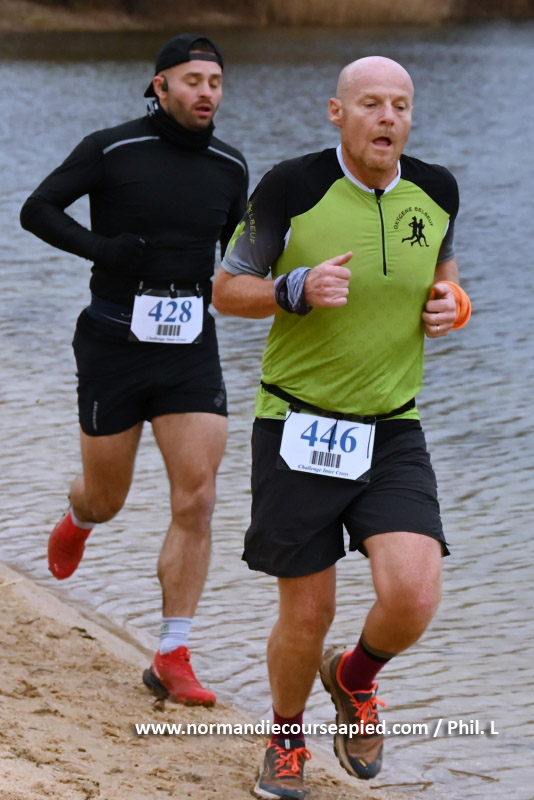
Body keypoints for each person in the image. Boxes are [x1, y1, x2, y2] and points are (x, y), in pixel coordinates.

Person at [212, 55, 471, 798]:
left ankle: (354, 677)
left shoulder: (438, 189)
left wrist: (453, 305)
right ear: (337, 112)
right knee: (308, 611)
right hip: (298, 424)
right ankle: (286, 739)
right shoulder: (292, 186)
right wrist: (292, 287)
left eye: (400, 106)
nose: (387, 117)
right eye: (371, 104)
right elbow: (226, 290)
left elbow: (445, 277)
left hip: (392, 425)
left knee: (413, 596)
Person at [20, 33, 248, 708]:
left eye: (215, 82)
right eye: (193, 80)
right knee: (107, 497)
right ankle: (79, 517)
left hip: (190, 349)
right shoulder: (112, 148)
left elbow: (240, 258)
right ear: (160, 86)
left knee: (197, 498)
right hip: (114, 344)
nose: (206, 92)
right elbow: (37, 210)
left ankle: (172, 653)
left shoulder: (230, 165)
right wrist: (103, 248)